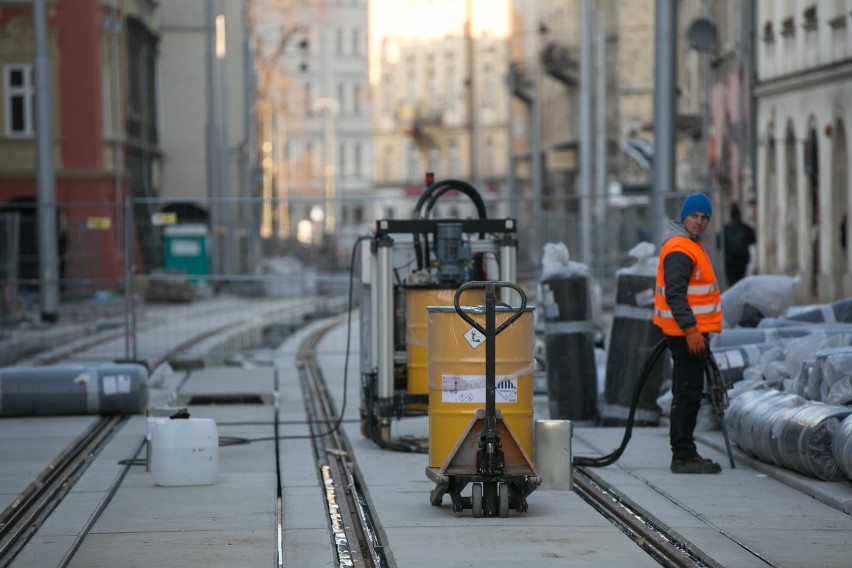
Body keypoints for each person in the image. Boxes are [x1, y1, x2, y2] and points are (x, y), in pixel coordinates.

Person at [653, 193, 724, 474]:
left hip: (691, 332)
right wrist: (692, 330)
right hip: (686, 333)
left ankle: (685, 451)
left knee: (689, 391)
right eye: (695, 216)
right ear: (684, 216)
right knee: (687, 392)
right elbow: (675, 294)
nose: (700, 221)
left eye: (704, 217)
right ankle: (682, 455)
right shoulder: (681, 248)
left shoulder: (691, 245)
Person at [722, 203, 756, 287]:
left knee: (732, 284)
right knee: (740, 283)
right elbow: (753, 240)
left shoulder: (726, 229)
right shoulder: (745, 228)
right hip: (742, 261)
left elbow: (719, 243)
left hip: (730, 262)